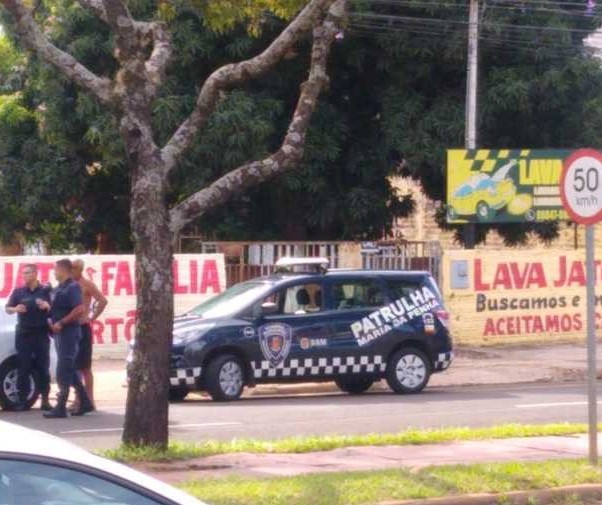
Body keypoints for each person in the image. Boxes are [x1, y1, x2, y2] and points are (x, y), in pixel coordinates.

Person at [44, 259, 94, 419]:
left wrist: (62, 322)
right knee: (70, 369)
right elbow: (56, 308)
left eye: (55, 269)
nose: (54, 272)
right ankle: (85, 401)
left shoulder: (73, 287)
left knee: (63, 369)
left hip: (69, 333)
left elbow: (80, 308)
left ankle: (61, 406)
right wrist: (50, 318)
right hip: (59, 333)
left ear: (63, 270)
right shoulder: (59, 288)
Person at [5, 264, 52, 411]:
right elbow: (8, 308)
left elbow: (56, 309)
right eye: (23, 273)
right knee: (23, 366)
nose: (24, 276)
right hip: (24, 333)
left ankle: (45, 400)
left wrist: (47, 306)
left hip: (41, 333)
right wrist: (15, 309)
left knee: (43, 367)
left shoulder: (46, 291)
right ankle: (22, 400)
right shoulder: (19, 292)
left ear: (35, 273)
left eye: (27, 273)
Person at [72, 259, 107, 411]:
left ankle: (90, 399)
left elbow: (103, 300)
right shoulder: (68, 285)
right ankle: (77, 398)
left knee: (85, 366)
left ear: (79, 269)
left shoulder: (87, 284)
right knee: (74, 366)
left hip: (83, 327)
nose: (71, 271)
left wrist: (92, 317)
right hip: (71, 329)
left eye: (73, 268)